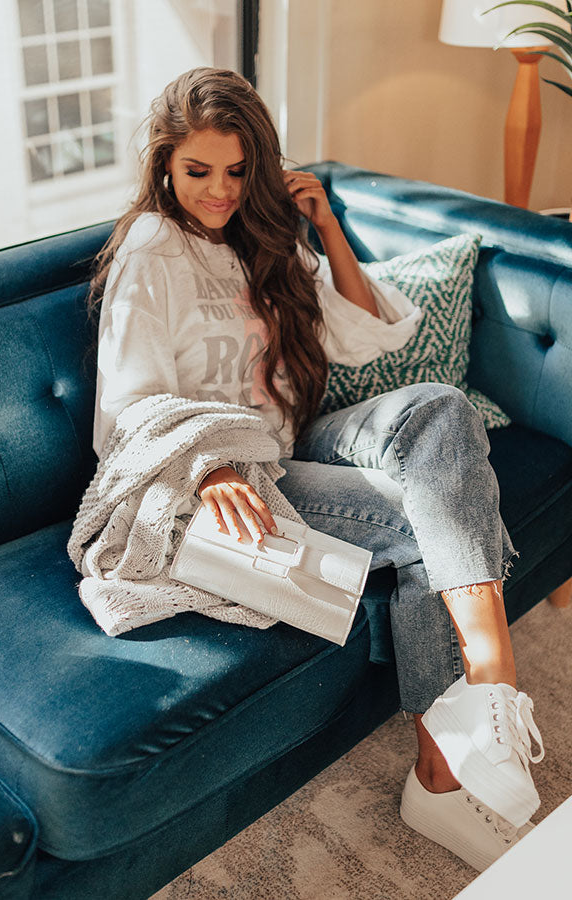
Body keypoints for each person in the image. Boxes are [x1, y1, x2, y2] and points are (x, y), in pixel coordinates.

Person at [86, 67, 544, 872]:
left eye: (238, 171)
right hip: (235, 471)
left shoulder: (265, 241)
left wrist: (325, 226)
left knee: (441, 410)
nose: (220, 191)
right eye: (198, 171)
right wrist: (211, 469)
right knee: (429, 520)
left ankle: (491, 692)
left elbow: (369, 334)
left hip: (297, 444)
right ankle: (440, 777)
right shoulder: (154, 247)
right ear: (164, 165)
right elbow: (128, 404)